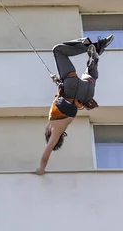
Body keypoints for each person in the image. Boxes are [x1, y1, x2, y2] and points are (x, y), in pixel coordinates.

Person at [34, 34, 114, 175]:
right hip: (72, 89)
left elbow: (61, 95)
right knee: (57, 50)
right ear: (50, 134)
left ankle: (93, 60)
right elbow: (46, 153)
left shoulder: (59, 124)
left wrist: (57, 81)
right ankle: (90, 46)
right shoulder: (54, 130)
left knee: (90, 75)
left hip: (86, 93)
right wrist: (41, 169)